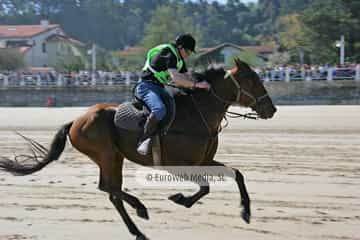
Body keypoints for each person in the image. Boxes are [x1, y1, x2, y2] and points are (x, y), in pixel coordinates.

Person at [135, 33, 210, 155]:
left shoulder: (179, 60)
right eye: (188, 51)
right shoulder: (169, 54)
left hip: (160, 87)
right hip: (146, 86)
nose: (188, 55)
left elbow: (186, 76)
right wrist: (195, 85)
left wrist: (201, 82)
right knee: (159, 109)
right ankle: (144, 140)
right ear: (180, 47)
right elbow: (176, 79)